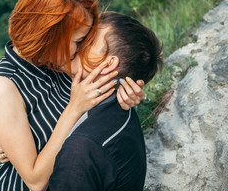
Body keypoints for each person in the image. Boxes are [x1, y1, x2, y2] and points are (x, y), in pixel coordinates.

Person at [0, 0, 145, 191]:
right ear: (52, 34)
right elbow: (35, 181)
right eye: (79, 40)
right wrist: (74, 108)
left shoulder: (56, 61)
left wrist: (129, 89)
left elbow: (107, 69)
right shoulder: (2, 86)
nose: (82, 49)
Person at [49, 11, 164, 191]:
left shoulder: (81, 149)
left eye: (87, 42)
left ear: (109, 64)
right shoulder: (119, 110)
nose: (75, 46)